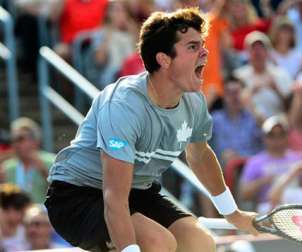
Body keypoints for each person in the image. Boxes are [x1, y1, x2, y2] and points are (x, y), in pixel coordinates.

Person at [45, 8, 259, 252]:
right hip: (77, 196)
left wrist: (233, 213)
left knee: (200, 243)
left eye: (201, 44)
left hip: (136, 190)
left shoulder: (194, 101)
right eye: (192, 47)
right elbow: (113, 198)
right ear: (164, 59)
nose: (204, 51)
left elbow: (199, 154)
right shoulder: (124, 106)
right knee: (157, 242)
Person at [239, 114, 302, 213]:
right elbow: (244, 194)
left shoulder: (298, 159)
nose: (276, 140)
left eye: (281, 134)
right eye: (271, 135)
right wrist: (263, 181)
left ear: (287, 136)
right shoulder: (255, 162)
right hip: (267, 209)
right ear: (264, 138)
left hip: (297, 207)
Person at [3, 117, 55, 203]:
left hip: (44, 214)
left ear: (35, 141)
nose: (16, 144)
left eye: (20, 139)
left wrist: (44, 172)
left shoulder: (52, 162)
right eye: (13, 139)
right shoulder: (7, 167)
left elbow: (62, 192)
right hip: (15, 215)